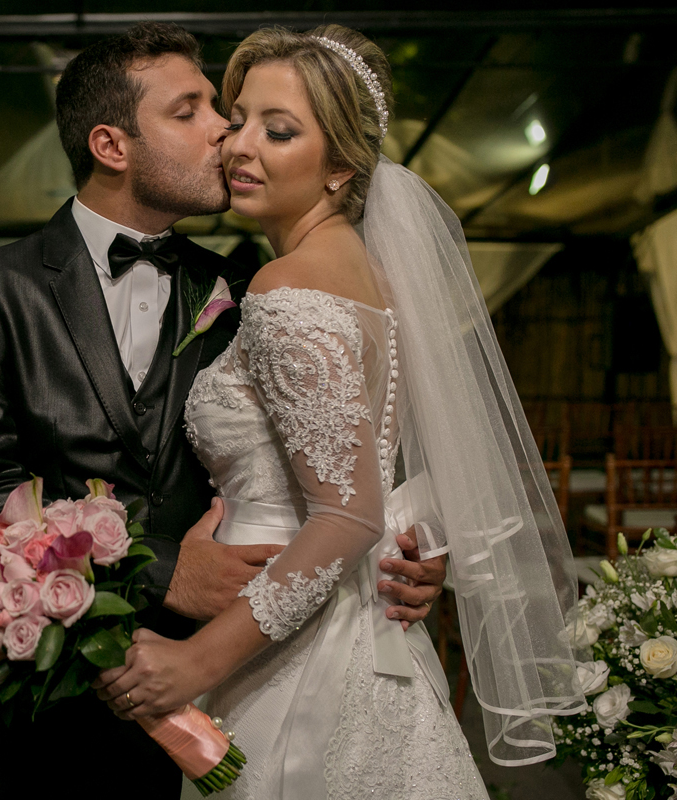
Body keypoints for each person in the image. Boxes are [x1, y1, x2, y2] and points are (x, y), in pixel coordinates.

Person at [0, 23, 445, 800]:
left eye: (226, 111)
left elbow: (344, 451)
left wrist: (407, 550)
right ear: (111, 145)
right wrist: (166, 572)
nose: (225, 133)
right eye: (192, 111)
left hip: (228, 675)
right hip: (56, 700)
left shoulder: (250, 286)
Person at [94, 24, 587, 799]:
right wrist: (416, 542)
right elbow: (382, 468)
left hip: (295, 656)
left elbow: (348, 515)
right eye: (239, 119)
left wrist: (196, 661)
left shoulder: (288, 289)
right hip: (353, 623)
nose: (237, 145)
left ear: (340, 170)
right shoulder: (374, 279)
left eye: (278, 130)